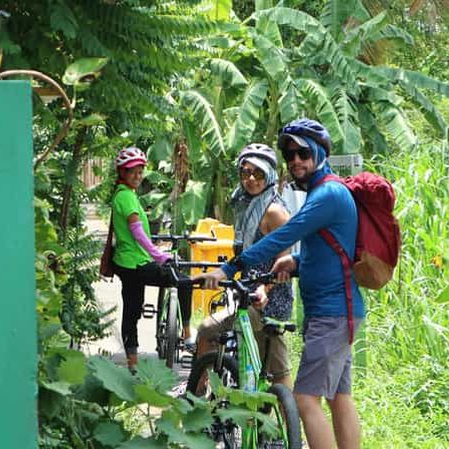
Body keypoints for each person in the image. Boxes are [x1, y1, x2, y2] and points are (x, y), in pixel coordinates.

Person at [195, 119, 365, 449]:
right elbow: (331, 250)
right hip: (337, 311)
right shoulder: (323, 192)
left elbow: (286, 235)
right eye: (290, 154)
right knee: (339, 398)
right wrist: (297, 263)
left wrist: (230, 269)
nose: (296, 160)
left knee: (305, 399)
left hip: (332, 312)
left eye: (303, 152)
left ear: (319, 152)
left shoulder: (327, 193)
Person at [195, 143, 293, 388]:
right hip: (245, 295)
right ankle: (199, 392)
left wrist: (264, 288)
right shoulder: (242, 204)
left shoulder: (274, 212)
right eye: (245, 172)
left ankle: (290, 424)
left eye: (258, 173)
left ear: (269, 175)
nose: (251, 179)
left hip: (270, 300)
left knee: (277, 372)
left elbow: (284, 262)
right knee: (207, 331)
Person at [110, 147, 193, 370]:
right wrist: (158, 255)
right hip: (135, 262)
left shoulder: (124, 194)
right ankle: (187, 334)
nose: (137, 176)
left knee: (132, 310)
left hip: (127, 263)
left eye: (140, 172)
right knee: (183, 282)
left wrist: (155, 250)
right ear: (122, 173)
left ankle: (133, 364)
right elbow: (137, 232)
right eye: (132, 172)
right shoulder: (126, 196)